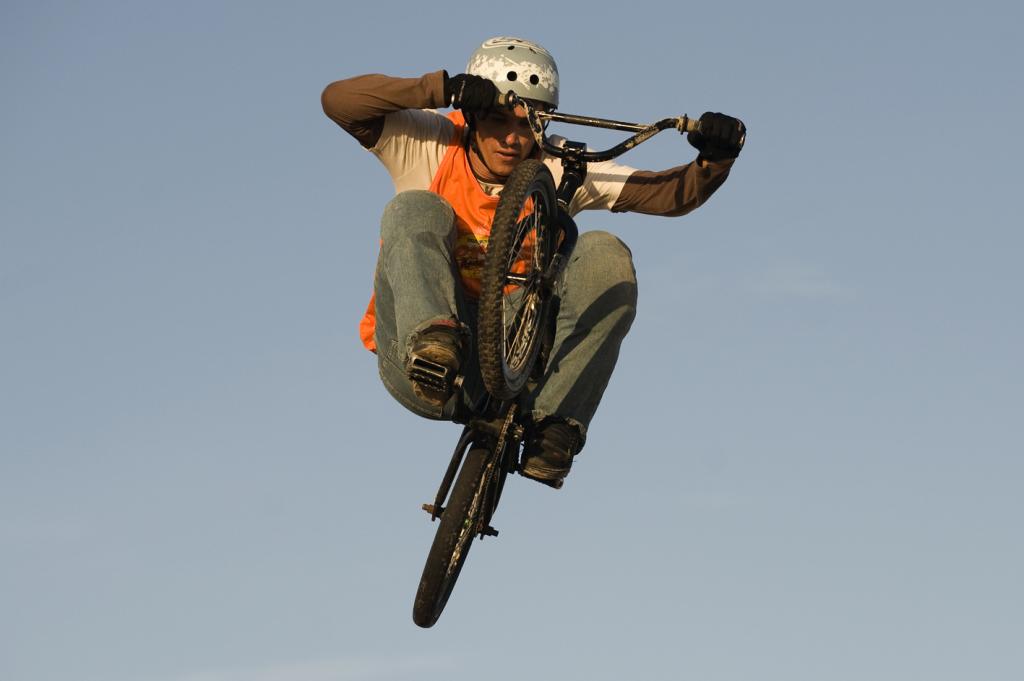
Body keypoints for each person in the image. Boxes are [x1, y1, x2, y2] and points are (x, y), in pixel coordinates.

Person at [322, 36, 744, 488]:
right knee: (413, 208)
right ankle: (435, 340)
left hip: (511, 360)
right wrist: (442, 89)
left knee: (605, 253)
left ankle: (555, 429)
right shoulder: (430, 141)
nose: (512, 139)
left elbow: (669, 195)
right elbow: (339, 102)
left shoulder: (559, 165)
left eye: (528, 125)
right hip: (418, 364)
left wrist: (716, 159)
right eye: (498, 121)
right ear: (473, 115)